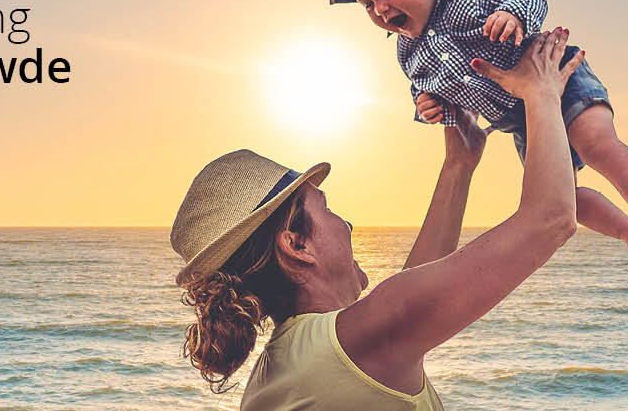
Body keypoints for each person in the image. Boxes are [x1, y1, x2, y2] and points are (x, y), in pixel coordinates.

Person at [170, 29, 585, 409]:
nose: (346, 225)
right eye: (327, 208)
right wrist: (540, 91)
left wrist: (458, 166)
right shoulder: (350, 345)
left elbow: (416, 290)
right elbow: (550, 219)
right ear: (296, 245)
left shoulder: (300, 359)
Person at [328, 0, 628, 267]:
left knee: (596, 143)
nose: (380, 8)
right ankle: (626, 230)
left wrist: (513, 14)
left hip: (557, 79)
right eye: (367, 4)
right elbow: (423, 86)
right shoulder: (409, 52)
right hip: (520, 119)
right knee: (562, 195)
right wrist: (426, 104)